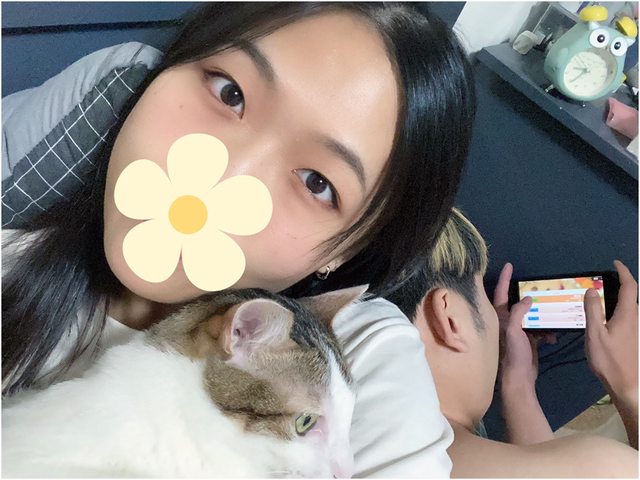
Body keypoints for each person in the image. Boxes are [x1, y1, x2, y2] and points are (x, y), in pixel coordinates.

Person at [2, 3, 475, 476]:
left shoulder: (363, 352)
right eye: (230, 93)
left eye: (317, 183)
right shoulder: (21, 231)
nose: (228, 177)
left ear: (344, 251)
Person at [386, 208, 638, 477]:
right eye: (482, 296)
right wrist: (631, 386)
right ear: (449, 319)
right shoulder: (605, 467)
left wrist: (519, 386)